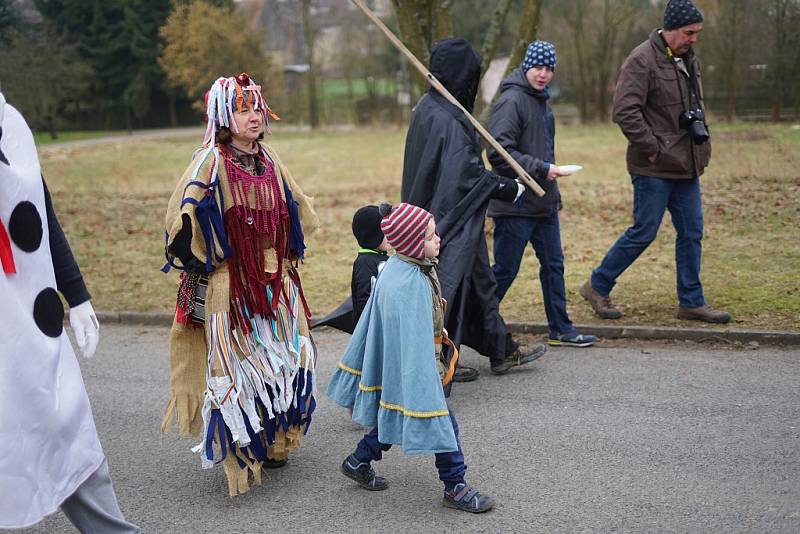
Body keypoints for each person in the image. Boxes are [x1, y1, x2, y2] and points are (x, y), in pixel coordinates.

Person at [161, 73, 320, 496]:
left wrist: (288, 255)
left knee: (287, 356)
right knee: (236, 370)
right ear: (223, 116)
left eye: (257, 107)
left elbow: (297, 206)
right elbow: (179, 219)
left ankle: (277, 440)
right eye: (243, 108)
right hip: (230, 287)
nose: (254, 116)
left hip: (274, 279)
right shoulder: (210, 162)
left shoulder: (269, 159)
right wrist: (207, 260)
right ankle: (242, 449)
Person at [0, 91, 139, 532]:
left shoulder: (12, 126)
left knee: (63, 423)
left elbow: (40, 213)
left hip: (27, 318)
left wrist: (76, 295)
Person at [402, 37, 554, 379]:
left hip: (448, 214)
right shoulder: (447, 119)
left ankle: (500, 351)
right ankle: (439, 360)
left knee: (481, 283)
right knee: (446, 287)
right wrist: (506, 186)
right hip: (445, 220)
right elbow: (465, 177)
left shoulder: (432, 107)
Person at [328, 202, 493, 514]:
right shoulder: (410, 282)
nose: (438, 239)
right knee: (443, 422)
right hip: (415, 365)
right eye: (431, 237)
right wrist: (428, 373)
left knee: (396, 414)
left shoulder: (400, 266)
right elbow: (413, 336)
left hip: (405, 363)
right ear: (414, 244)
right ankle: (455, 485)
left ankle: (358, 460)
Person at [580, 0, 731, 324]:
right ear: (672, 28)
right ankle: (597, 285)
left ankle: (691, 302)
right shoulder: (641, 60)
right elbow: (624, 111)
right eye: (689, 33)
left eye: (697, 33)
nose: (694, 39)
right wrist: (653, 149)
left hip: (685, 165)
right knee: (644, 231)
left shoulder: (688, 59)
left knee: (692, 232)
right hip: (653, 167)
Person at [487, 40, 596, 348]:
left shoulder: (541, 103)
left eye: (549, 69)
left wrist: (554, 195)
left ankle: (561, 329)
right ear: (526, 67)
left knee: (554, 265)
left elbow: (546, 152)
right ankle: (469, 323)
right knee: (505, 271)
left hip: (543, 203)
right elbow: (498, 152)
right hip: (516, 204)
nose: (544, 74)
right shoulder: (512, 101)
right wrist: (541, 168)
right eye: (538, 67)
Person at [350, 203, 392, 326]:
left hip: (384, 323)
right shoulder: (365, 263)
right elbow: (364, 297)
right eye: (385, 232)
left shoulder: (384, 257)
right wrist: (369, 325)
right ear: (372, 236)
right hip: (370, 327)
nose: (390, 235)